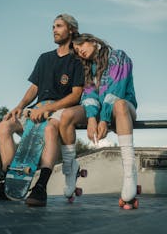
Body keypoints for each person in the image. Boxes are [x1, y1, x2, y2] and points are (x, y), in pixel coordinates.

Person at [0, 14, 84, 206]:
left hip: (61, 108)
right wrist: (19, 107)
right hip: (37, 108)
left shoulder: (77, 60)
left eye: (59, 26)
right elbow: (34, 88)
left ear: (71, 30)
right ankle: (9, 182)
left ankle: (40, 187)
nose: (54, 29)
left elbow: (76, 95)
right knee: (4, 126)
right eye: (53, 26)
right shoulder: (44, 58)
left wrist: (50, 108)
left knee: (50, 129)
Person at [59, 33, 138, 209]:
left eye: (82, 46)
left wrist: (103, 119)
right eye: (77, 51)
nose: (80, 52)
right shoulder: (87, 67)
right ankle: (70, 170)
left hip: (122, 108)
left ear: (93, 42)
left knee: (119, 104)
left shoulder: (118, 56)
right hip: (100, 110)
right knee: (66, 116)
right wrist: (91, 118)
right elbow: (89, 95)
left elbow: (117, 88)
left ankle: (129, 172)